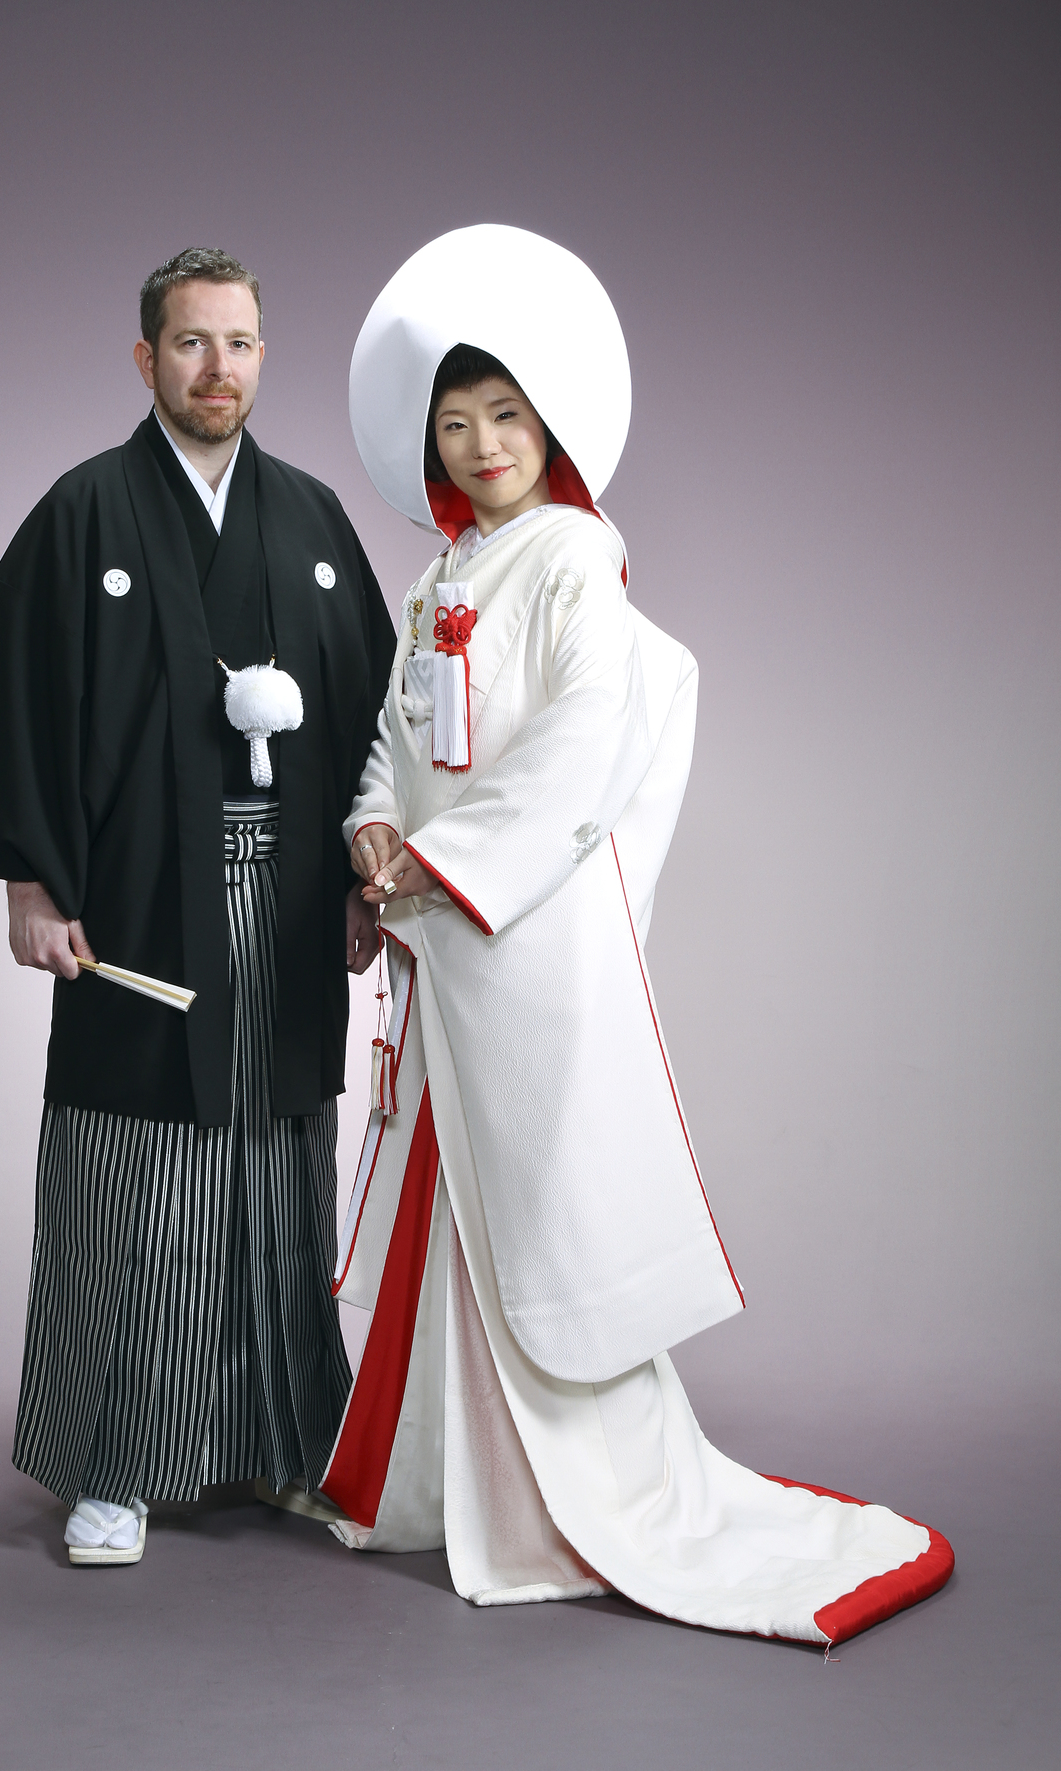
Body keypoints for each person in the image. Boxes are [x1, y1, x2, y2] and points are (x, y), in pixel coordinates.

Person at [320, 225, 953, 1646]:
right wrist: (373, 826)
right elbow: (393, 740)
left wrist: (434, 863)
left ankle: (560, 1507)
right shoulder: (437, 579)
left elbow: (578, 750)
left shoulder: (574, 556)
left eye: (505, 416)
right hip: (443, 934)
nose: (483, 445)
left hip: (520, 940)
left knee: (540, 1212)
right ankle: (440, 1485)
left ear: (548, 425)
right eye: (456, 424)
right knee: (448, 1203)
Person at [0, 247, 394, 1566]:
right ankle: (112, 1466)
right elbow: (17, 704)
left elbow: (374, 715)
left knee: (279, 1171)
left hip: (288, 901)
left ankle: (289, 1447)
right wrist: (30, 878)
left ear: (263, 356)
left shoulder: (310, 519)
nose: (216, 369)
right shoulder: (85, 513)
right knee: (137, 1174)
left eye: (238, 343)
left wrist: (362, 881)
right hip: (136, 906)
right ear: (145, 359)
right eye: (189, 343)